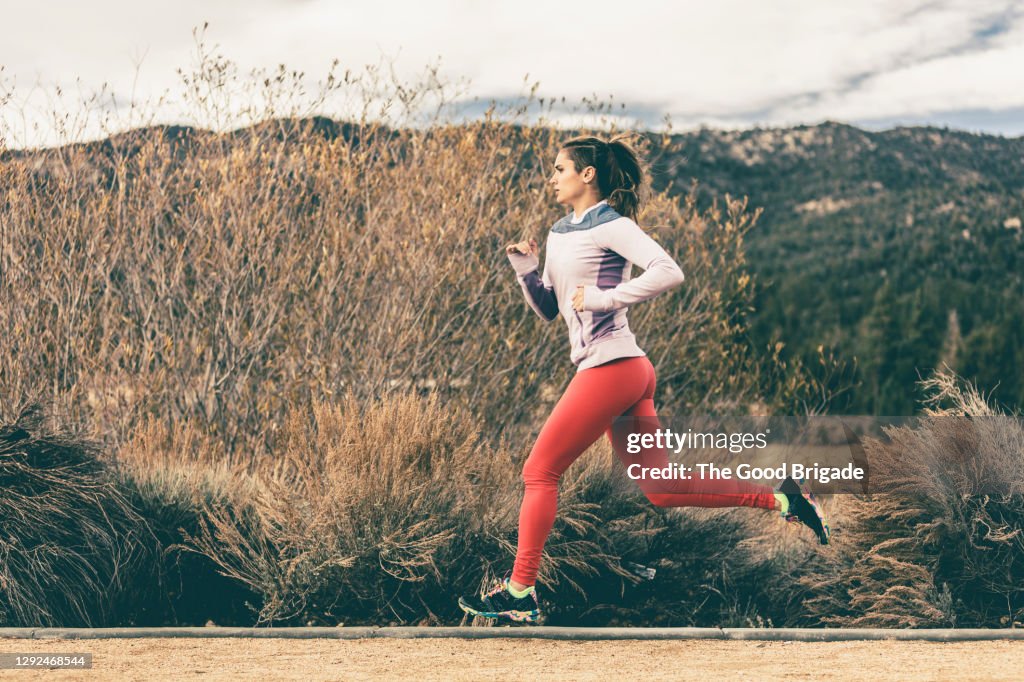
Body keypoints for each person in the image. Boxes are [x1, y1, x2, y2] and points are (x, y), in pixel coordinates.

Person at [458, 135, 829, 625]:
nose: (551, 177)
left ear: (587, 175)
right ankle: (784, 498)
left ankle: (521, 590)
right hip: (620, 369)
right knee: (661, 487)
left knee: (539, 472)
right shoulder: (558, 232)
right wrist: (525, 267)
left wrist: (607, 298)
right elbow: (550, 308)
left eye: (559, 168)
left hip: (611, 367)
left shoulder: (610, 224)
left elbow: (668, 271)